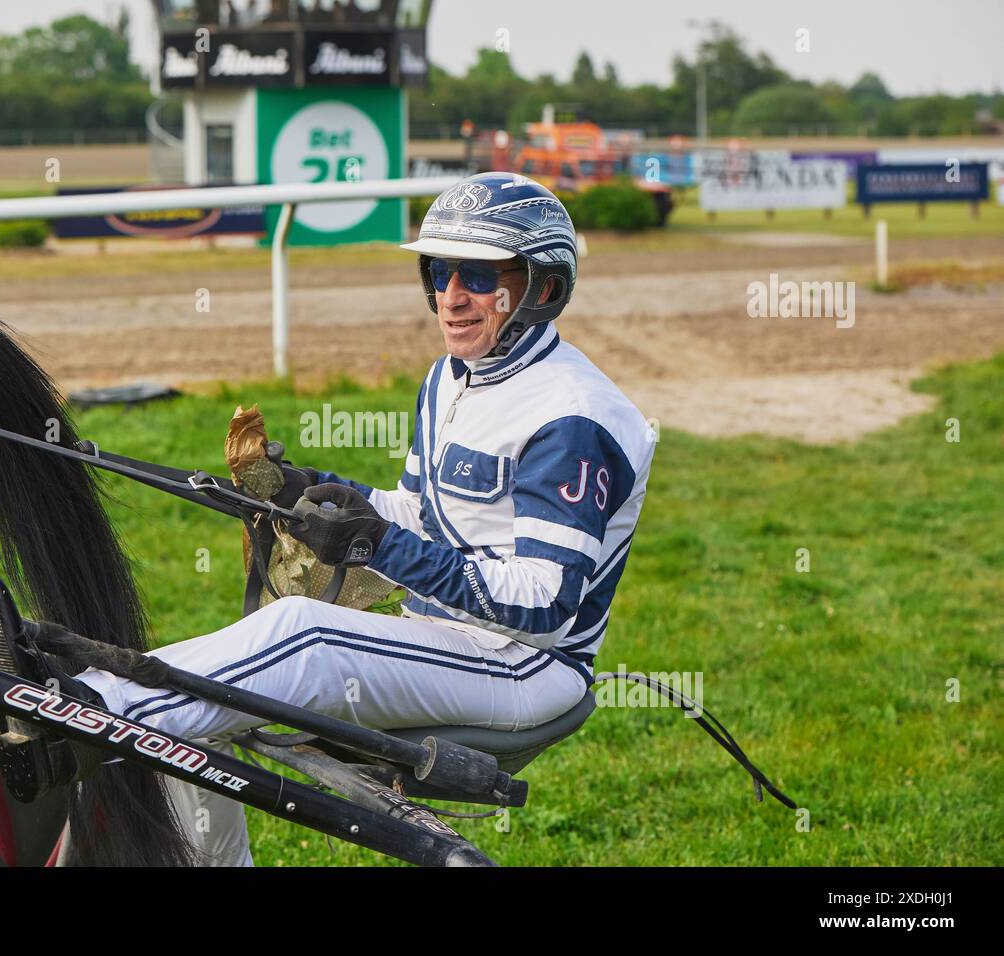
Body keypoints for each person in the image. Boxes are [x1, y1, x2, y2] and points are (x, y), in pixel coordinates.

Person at [74, 171, 656, 864]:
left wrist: (376, 543)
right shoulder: (451, 378)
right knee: (211, 708)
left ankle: (84, 705)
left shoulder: (573, 416)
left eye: (476, 273)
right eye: (438, 270)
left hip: (526, 664)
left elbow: (545, 603)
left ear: (543, 287)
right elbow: (418, 511)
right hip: (448, 638)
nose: (451, 295)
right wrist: (314, 494)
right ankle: (110, 705)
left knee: (300, 635)